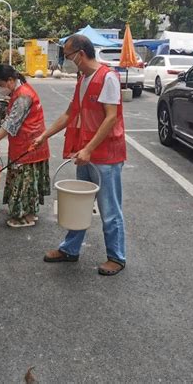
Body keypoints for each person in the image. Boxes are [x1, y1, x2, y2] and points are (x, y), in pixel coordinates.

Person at [34, 35, 127, 276]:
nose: (67, 59)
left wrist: (89, 149)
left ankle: (116, 257)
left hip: (105, 155)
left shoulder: (108, 78)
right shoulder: (83, 79)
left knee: (109, 208)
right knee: (80, 204)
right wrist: (45, 135)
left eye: (68, 54)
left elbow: (111, 117)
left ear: (81, 54)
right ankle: (70, 249)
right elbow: (68, 114)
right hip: (85, 153)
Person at [0, 64, 50, 228]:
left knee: (22, 182)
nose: (0, 89)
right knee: (29, 182)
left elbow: (10, 124)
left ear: (11, 80)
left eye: (0, 85)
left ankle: (21, 217)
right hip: (33, 144)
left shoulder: (23, 97)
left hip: (27, 146)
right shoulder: (21, 91)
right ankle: (30, 213)